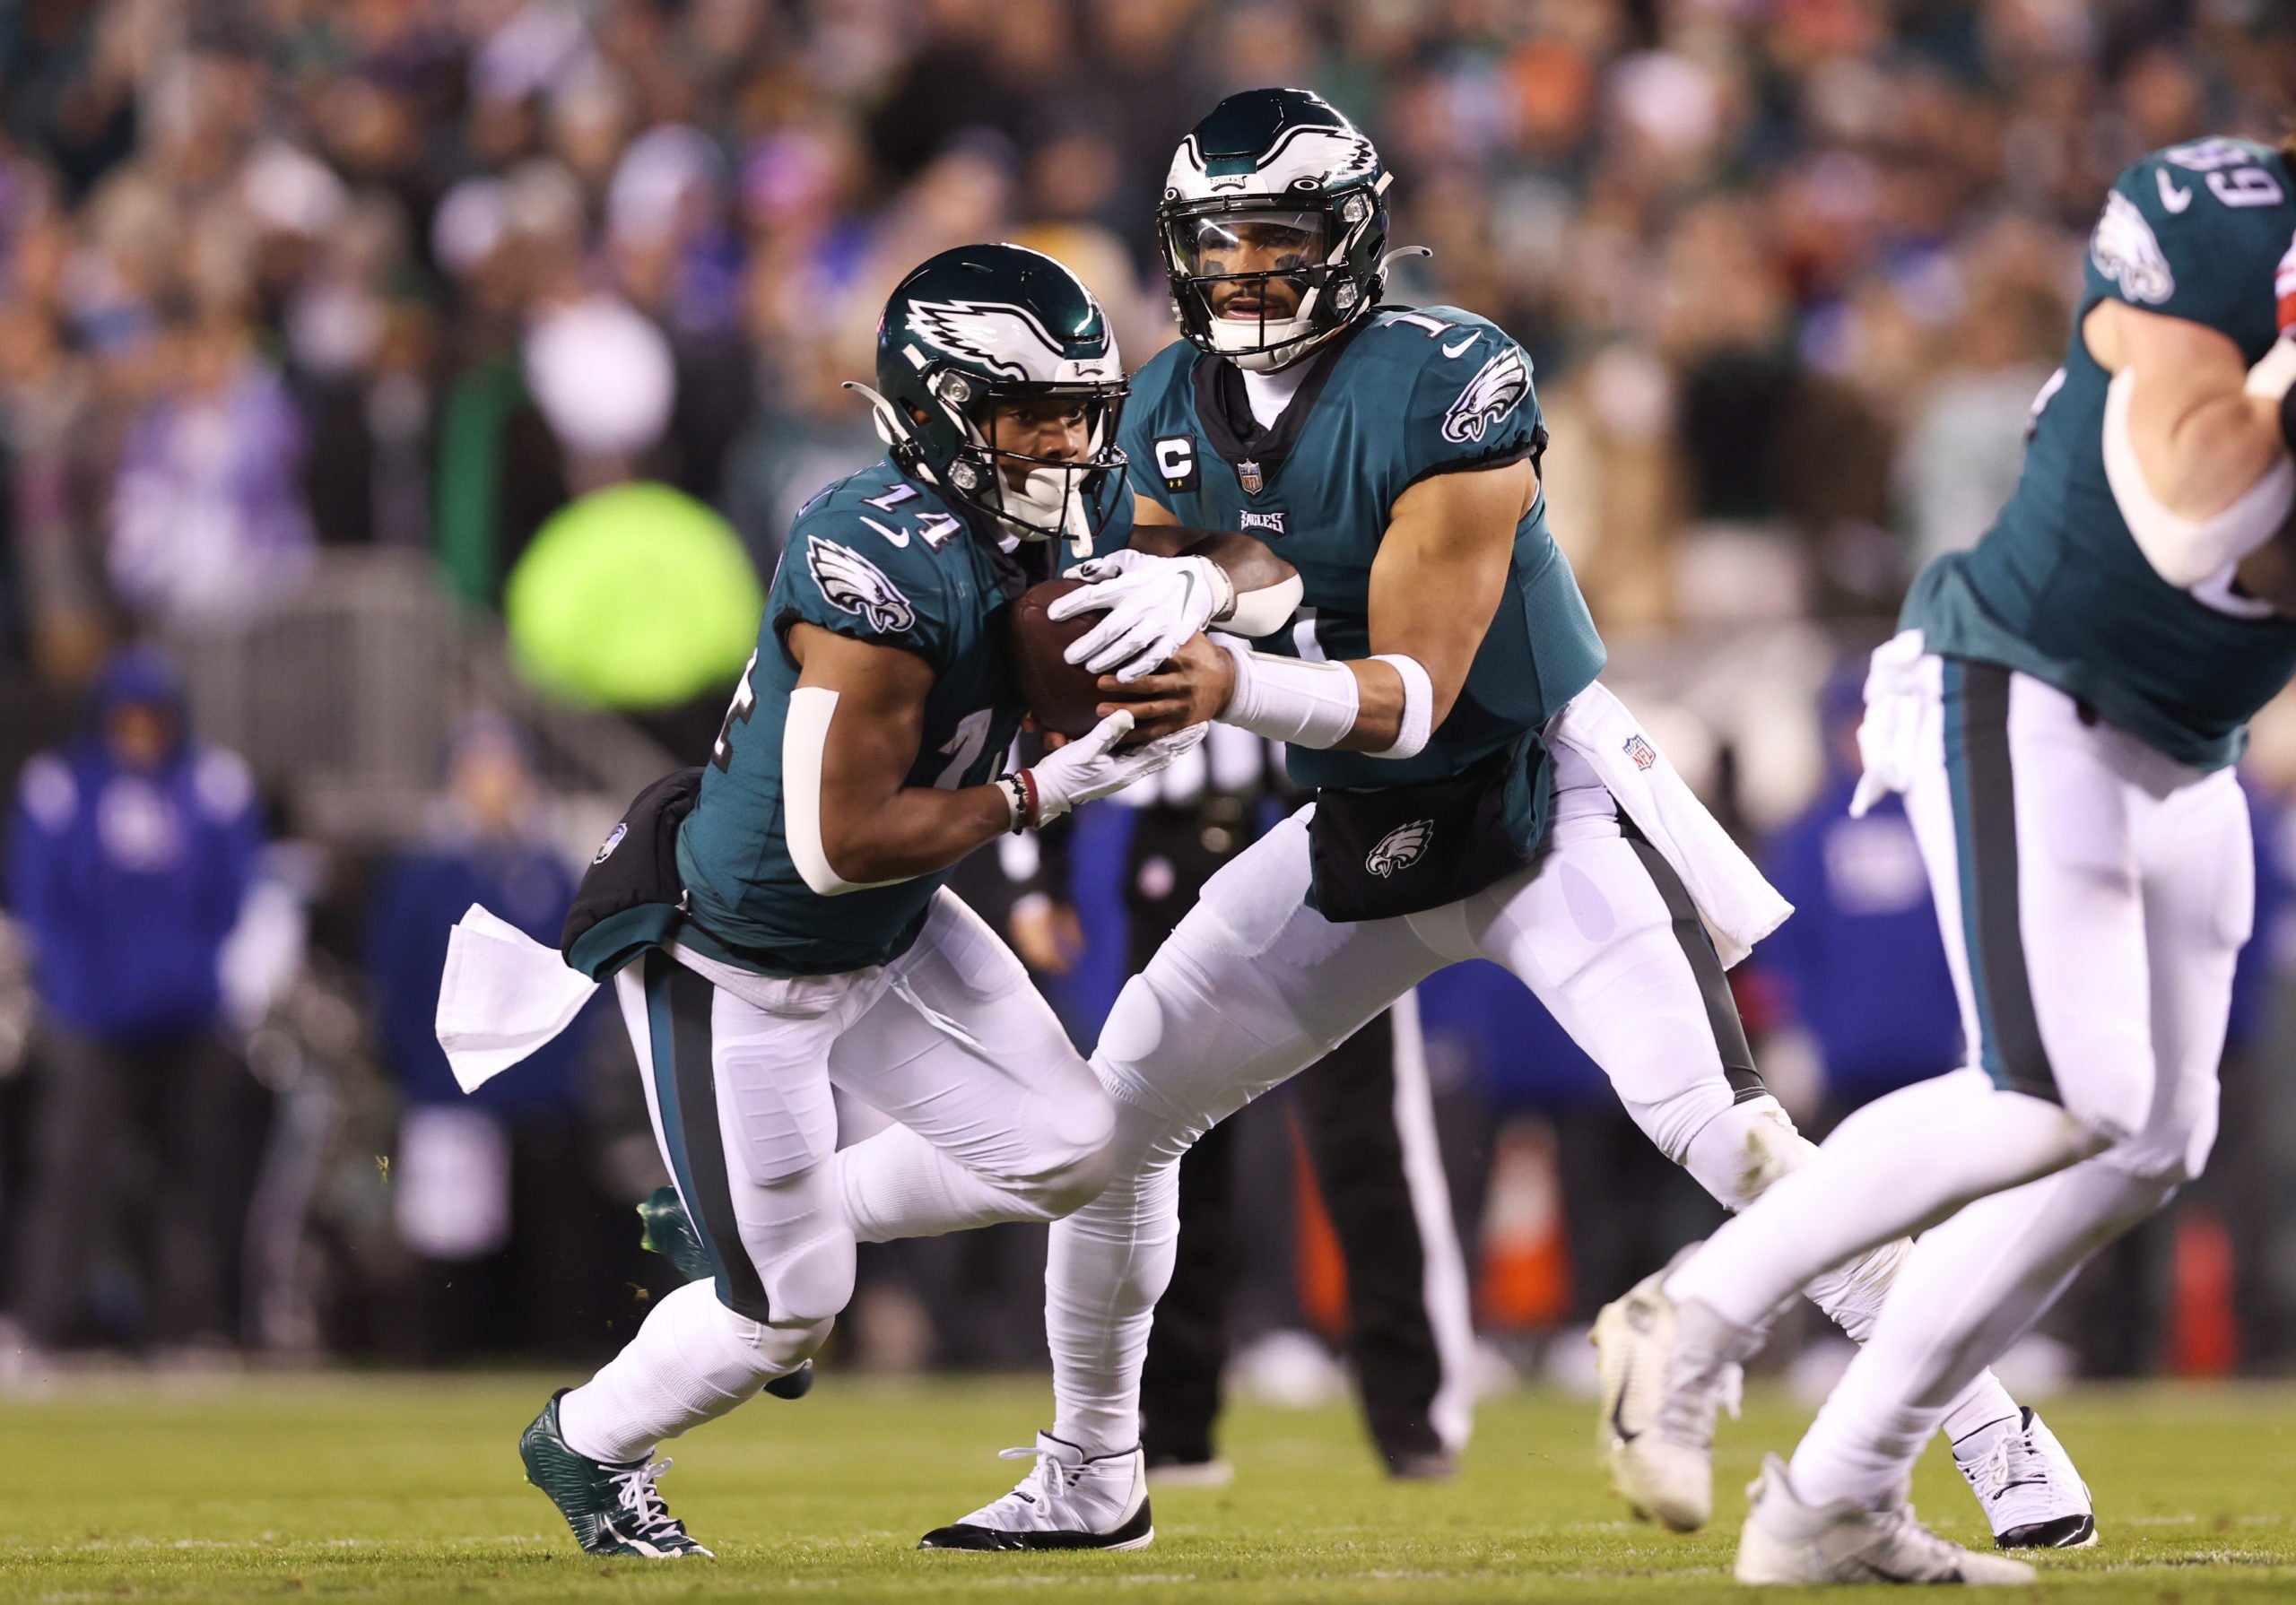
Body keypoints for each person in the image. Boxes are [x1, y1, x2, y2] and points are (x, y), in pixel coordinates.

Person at [923, 89, 2085, 1553]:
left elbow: (1416, 692)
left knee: (1731, 1141)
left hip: (1535, 800)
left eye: (1273, 238)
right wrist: (1121, 663)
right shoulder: (1163, 406)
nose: (1239, 275)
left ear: (1348, 239)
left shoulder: (1451, 377)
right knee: (1122, 1111)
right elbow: (1202, 600)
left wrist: (1219, 668)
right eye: (1214, 245)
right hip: (1354, 827)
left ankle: (1989, 1430)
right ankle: (1095, 1471)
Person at [500, 242, 1292, 1557]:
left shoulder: (1066, 512)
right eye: (1028, 412)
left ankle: (746, 1214)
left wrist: (1201, 585)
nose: (1065, 441)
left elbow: (1276, 558)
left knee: (1078, 1146)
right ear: (937, 406)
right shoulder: (870, 555)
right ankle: (585, 1444)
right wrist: (1047, 791)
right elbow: (837, 842)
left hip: (895, 920)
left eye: (1080, 409)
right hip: (739, 947)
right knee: (787, 1311)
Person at [1595, 134, 2296, 1585]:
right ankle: (1695, 1310)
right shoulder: (2221, 207)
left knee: (2161, 1136)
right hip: (2021, 673)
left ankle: (1831, 1496)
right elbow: (2185, 507)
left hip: (2185, 732)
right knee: (2061, 1097)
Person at [6, 645, 266, 1349]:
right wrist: (77, 988)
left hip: (190, 1018)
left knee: (196, 1182)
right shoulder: (61, 787)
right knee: (72, 1177)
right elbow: (42, 901)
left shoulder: (213, 786)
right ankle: (41, 1325)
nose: (141, 732)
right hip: (92, 1020)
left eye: (154, 717)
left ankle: (191, 1328)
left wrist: (211, 979)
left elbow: (240, 894)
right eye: (129, 717)